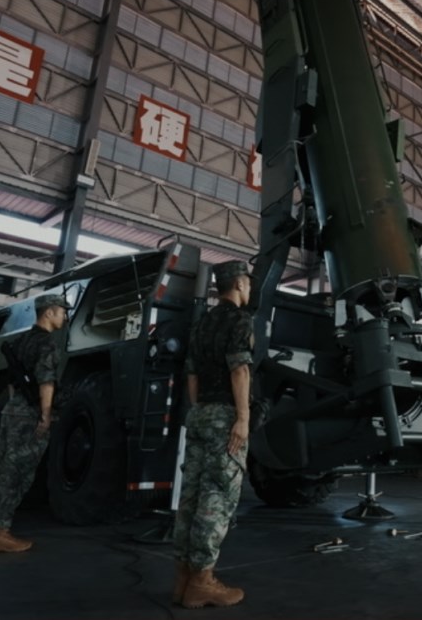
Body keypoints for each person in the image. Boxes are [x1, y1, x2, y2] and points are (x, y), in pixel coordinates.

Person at [172, 260, 253, 609]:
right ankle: (203, 582)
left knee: (190, 497)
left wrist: (198, 410)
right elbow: (240, 370)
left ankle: (183, 578)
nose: (249, 289)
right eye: (248, 283)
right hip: (224, 416)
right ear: (239, 284)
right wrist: (242, 417)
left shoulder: (202, 322)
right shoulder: (239, 320)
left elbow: (191, 373)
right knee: (216, 497)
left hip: (200, 413)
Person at [0, 293, 69, 553]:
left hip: (12, 410)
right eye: (62, 312)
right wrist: (45, 415)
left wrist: (16, 405)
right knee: (16, 475)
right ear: (49, 312)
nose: (64, 317)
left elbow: (12, 383)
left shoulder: (20, 340)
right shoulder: (47, 344)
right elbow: (46, 382)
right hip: (30, 414)